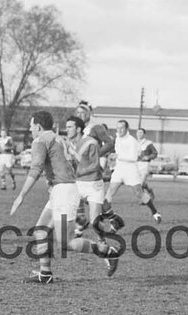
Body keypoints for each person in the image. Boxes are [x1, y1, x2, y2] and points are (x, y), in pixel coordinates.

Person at [10, 110, 121, 283]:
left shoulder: (40, 140)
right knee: (41, 231)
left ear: (38, 126)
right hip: (62, 190)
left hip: (63, 192)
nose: (30, 129)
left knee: (66, 243)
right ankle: (45, 273)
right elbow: (73, 161)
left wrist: (21, 195)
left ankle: (108, 252)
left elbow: (36, 168)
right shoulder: (59, 139)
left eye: (31, 125)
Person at [103, 120, 161, 223]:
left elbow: (133, 157)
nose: (119, 130)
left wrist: (118, 156)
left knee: (139, 194)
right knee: (109, 192)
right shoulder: (117, 138)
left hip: (131, 170)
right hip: (119, 170)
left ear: (127, 129)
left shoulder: (131, 141)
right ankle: (110, 218)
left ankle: (155, 213)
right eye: (118, 128)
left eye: (122, 128)